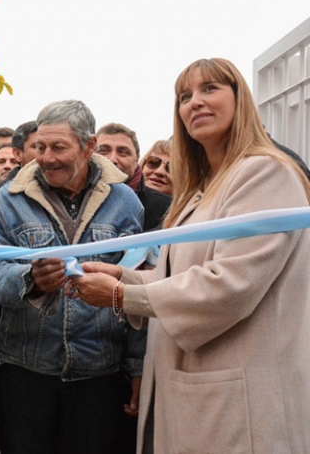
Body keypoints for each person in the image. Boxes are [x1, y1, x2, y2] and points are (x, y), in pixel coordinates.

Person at [70, 58, 310, 453]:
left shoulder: (265, 173)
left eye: (210, 89)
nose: (195, 102)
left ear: (241, 100)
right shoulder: (200, 190)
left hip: (242, 404)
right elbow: (180, 276)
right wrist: (122, 277)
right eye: (185, 96)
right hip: (199, 396)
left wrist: (119, 296)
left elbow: (229, 285)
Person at [0, 99, 145, 454]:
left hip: (99, 374)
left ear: (88, 147)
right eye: (40, 146)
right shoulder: (10, 198)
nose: (47, 157)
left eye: (58, 147)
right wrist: (30, 278)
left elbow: (137, 285)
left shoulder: (126, 202)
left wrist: (137, 367)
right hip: (26, 372)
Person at [95, 123, 171, 230]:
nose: (112, 159)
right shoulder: (68, 197)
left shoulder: (166, 209)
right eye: (103, 150)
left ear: (137, 159)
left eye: (123, 152)